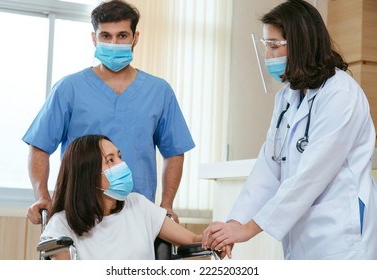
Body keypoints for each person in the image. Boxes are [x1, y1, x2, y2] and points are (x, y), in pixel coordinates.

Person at [202, 0, 377, 260]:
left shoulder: (341, 94)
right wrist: (236, 223)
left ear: (300, 43)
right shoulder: (287, 98)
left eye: (274, 46)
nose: (268, 55)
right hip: (303, 237)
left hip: (340, 235)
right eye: (266, 46)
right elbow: (269, 167)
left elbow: (312, 174)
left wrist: (250, 229)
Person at [23, 0, 194, 224]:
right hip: (78, 210)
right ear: (94, 38)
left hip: (138, 214)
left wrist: (167, 204)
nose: (114, 43)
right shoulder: (69, 88)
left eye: (122, 36)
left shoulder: (159, 91)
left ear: (135, 38)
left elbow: (174, 152)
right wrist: (42, 196)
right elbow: (39, 145)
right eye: (106, 36)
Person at [40, 134, 200, 260]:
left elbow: (193, 240)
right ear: (87, 174)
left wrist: (218, 237)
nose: (121, 164)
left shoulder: (139, 205)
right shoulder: (62, 224)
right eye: (110, 160)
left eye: (119, 156)